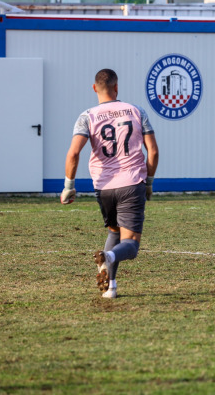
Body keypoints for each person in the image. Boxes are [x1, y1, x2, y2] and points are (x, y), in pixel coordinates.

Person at [60, 69, 159, 299]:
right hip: (132, 182)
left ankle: (111, 287)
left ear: (94, 88)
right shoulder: (136, 111)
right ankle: (110, 257)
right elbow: (152, 150)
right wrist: (149, 183)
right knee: (130, 246)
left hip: (103, 186)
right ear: (117, 87)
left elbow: (73, 153)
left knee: (114, 232)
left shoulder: (87, 116)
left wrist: (68, 186)